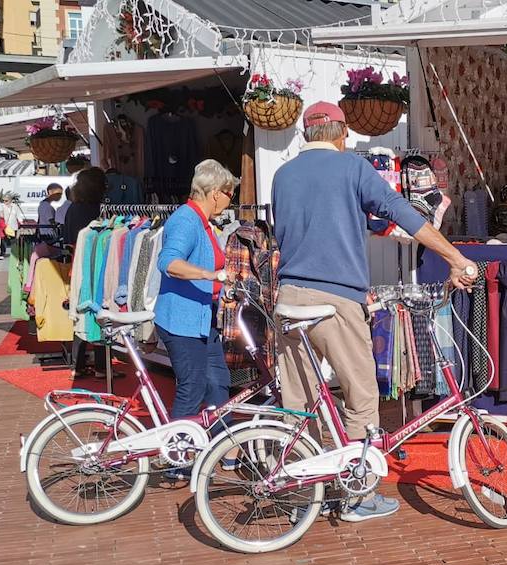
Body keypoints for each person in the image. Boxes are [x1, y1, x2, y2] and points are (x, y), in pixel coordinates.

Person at [271, 101, 477, 523]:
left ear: (306, 134)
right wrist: (455, 258)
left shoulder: (282, 175)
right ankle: (356, 496)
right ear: (341, 133)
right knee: (360, 396)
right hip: (335, 301)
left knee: (297, 401)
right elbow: (401, 213)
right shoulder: (352, 169)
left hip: (289, 297)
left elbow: (297, 230)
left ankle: (298, 497)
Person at [154, 160, 240, 480]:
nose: (231, 201)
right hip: (182, 320)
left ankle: (227, 447)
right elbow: (169, 263)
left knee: (218, 382)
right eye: (230, 194)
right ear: (216, 193)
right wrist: (210, 275)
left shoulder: (204, 223)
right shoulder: (187, 220)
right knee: (192, 386)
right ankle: (177, 458)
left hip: (203, 319)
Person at [62, 167, 108, 378]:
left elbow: (69, 239)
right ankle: (101, 366)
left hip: (77, 264)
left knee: (80, 313)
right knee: (98, 309)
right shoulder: (96, 209)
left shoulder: (73, 208)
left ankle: (77, 364)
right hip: (95, 264)